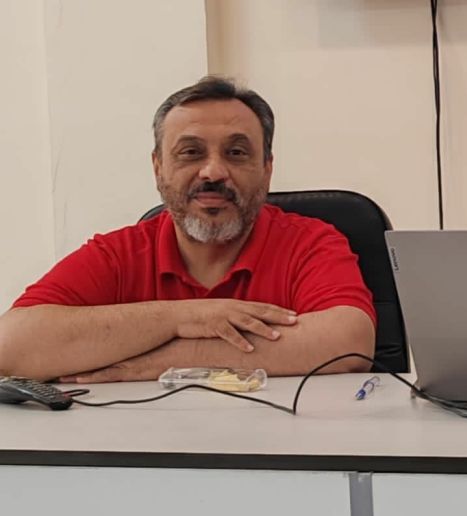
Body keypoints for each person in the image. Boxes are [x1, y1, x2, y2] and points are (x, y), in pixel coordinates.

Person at [0, 76, 376, 383]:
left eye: (236, 153)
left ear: (267, 168)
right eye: (191, 152)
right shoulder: (118, 254)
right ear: (158, 168)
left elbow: (349, 342)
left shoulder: (310, 242)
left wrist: (168, 360)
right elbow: (10, 347)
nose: (213, 172)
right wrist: (186, 317)